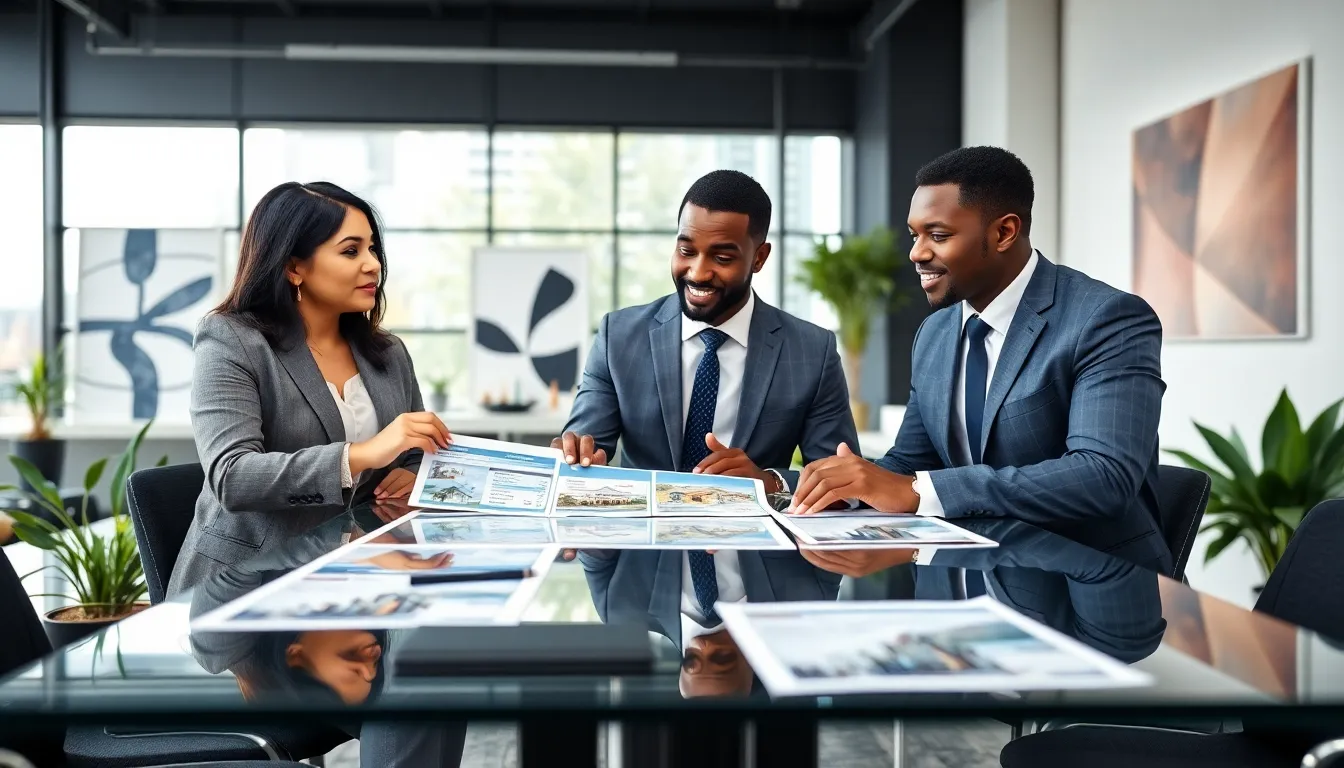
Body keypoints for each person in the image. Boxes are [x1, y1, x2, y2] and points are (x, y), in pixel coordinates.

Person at [790, 146, 1172, 583]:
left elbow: (1103, 475)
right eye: (914, 235)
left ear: (1004, 232)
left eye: (937, 235)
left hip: (1089, 584)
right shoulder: (934, 334)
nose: (916, 253)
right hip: (966, 576)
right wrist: (850, 489)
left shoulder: (1106, 319)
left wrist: (916, 491)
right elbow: (913, 461)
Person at [558, 169, 858, 650]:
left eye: (722, 256)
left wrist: (770, 482)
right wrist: (579, 455)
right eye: (685, 250)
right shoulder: (620, 336)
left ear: (759, 257)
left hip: (775, 596)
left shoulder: (811, 350)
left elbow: (842, 476)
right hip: (640, 593)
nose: (697, 272)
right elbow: (585, 437)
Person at [167, 181, 453, 598]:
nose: (373, 264)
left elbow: (411, 453)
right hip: (249, 587)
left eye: (373, 249)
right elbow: (233, 477)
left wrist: (410, 475)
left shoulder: (388, 353)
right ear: (293, 266)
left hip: (359, 578)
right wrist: (364, 454)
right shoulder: (232, 340)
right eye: (351, 250)